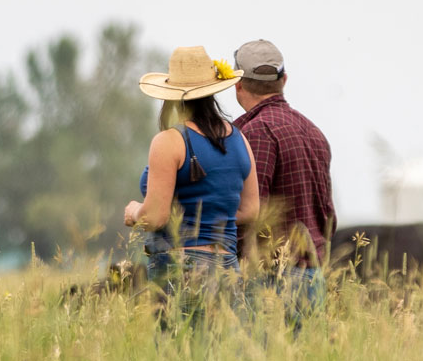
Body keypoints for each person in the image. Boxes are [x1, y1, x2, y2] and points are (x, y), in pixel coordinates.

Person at [124, 46, 261, 329]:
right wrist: (212, 220)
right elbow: (250, 210)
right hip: (227, 266)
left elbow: (157, 217)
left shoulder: (168, 141)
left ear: (171, 95)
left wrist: (135, 211)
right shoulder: (239, 139)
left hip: (180, 266)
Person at [229, 39, 334, 327]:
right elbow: (327, 215)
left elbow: (251, 215)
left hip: (271, 280)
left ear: (237, 84)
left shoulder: (255, 133)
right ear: (284, 80)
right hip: (312, 276)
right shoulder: (314, 132)